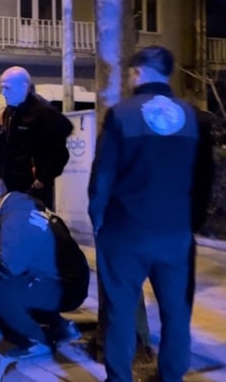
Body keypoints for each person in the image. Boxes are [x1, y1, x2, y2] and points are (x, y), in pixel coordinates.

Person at [88, 46, 214, 382]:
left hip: (125, 232)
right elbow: (204, 178)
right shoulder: (193, 118)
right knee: (177, 313)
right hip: (175, 234)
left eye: (131, 73)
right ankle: (171, 376)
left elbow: (102, 176)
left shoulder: (121, 115)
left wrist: (98, 220)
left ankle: (119, 378)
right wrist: (190, 224)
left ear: (139, 72)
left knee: (120, 312)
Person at [0, 179, 89, 358]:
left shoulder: (12, 221)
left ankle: (35, 341)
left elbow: (7, 269)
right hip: (75, 281)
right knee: (26, 282)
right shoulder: (28, 208)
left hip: (64, 288)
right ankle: (62, 328)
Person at [0, 67, 74, 208]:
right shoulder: (11, 111)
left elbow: (60, 152)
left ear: (24, 87)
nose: (3, 93)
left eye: (7, 88)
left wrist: (42, 180)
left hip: (33, 189)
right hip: (13, 186)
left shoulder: (43, 113)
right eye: (2, 88)